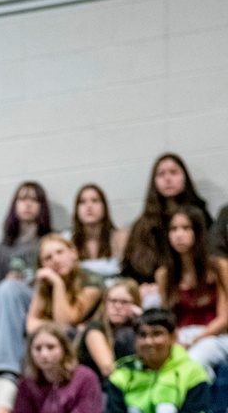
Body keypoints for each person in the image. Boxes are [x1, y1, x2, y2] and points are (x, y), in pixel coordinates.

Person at [0, 181, 52, 374]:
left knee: (9, 288)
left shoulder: (47, 240)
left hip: (37, 298)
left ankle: (8, 366)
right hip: (8, 299)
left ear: (42, 206)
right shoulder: (4, 247)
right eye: (22, 199)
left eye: (34, 199)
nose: (28, 204)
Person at [155, 207, 228, 380]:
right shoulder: (163, 275)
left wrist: (194, 341)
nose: (179, 235)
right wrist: (176, 341)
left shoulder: (219, 267)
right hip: (181, 337)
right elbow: (168, 319)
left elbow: (224, 319)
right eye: (173, 229)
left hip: (215, 336)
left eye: (186, 228)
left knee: (193, 360)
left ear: (197, 232)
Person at [122, 153, 212, 292]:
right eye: (161, 174)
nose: (168, 178)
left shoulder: (201, 217)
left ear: (185, 177)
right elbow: (129, 268)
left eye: (174, 172)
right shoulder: (143, 225)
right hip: (152, 290)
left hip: (196, 286)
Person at [25, 235, 103, 339]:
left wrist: (58, 284)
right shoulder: (45, 282)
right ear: (42, 265)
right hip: (57, 339)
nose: (56, 260)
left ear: (73, 253)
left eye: (60, 252)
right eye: (48, 258)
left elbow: (66, 321)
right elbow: (31, 324)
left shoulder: (91, 281)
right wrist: (55, 326)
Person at [77, 279, 141, 382]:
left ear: (135, 305)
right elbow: (108, 370)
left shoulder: (134, 330)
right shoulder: (95, 330)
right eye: (113, 301)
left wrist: (141, 320)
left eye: (124, 302)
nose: (117, 306)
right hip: (101, 389)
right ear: (105, 304)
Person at [71, 183, 128, 283]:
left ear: (104, 207)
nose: (89, 206)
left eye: (95, 200)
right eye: (82, 202)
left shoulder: (119, 237)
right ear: (77, 209)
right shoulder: (69, 241)